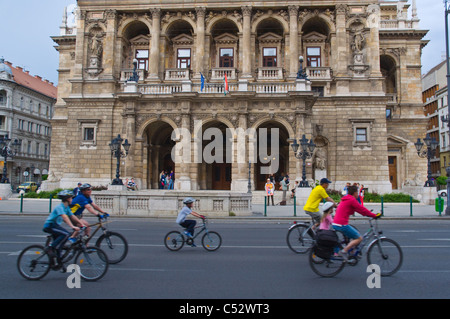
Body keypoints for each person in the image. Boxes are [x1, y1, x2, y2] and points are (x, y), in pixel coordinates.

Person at [332, 185, 381, 261]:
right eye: (357, 192)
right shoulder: (351, 200)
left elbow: (358, 210)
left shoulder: (346, 198)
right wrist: (374, 215)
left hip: (337, 222)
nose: (358, 194)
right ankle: (344, 251)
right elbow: (361, 209)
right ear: (355, 193)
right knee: (359, 238)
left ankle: (351, 251)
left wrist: (367, 213)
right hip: (341, 224)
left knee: (356, 233)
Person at [43, 190, 82, 269]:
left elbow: (72, 216)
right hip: (50, 225)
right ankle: (50, 247)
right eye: (71, 198)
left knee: (59, 246)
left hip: (55, 225)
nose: (72, 199)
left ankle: (57, 263)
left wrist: (81, 224)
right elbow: (65, 217)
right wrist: (73, 227)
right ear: (67, 199)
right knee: (66, 234)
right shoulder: (60, 207)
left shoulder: (66, 207)